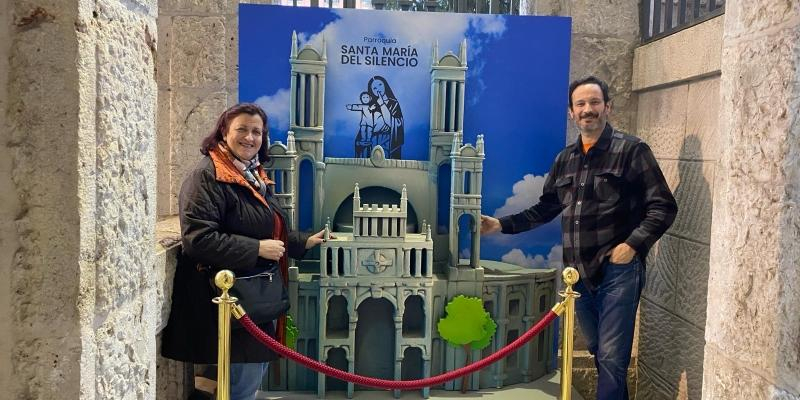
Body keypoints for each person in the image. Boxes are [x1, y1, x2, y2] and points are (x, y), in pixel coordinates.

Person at [480, 76, 677, 400]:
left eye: (594, 103)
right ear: (571, 113)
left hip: (619, 272)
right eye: (581, 104)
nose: (588, 110)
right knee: (601, 353)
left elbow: (663, 206)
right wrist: (500, 225)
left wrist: (632, 245)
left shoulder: (632, 150)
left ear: (607, 107)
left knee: (613, 358)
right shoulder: (565, 160)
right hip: (578, 275)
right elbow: (545, 209)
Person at [161, 103, 326, 400]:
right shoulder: (207, 176)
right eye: (242, 129)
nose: (250, 137)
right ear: (224, 131)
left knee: (248, 378)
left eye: (257, 132)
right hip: (231, 304)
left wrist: (302, 242)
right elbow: (198, 239)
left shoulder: (252, 175)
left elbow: (265, 227)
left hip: (252, 298)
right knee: (241, 386)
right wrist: (257, 249)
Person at [368, 75, 404, 159]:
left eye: (380, 85)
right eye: (374, 88)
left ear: (385, 85)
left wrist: (382, 104)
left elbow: (393, 124)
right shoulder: (372, 105)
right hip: (374, 140)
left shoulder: (394, 103)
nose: (378, 89)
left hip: (388, 141)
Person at [346, 91, 377, 157]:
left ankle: (368, 139)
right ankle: (363, 139)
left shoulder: (370, 106)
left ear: (370, 98)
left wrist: (371, 108)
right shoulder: (362, 106)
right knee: (363, 130)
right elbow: (357, 107)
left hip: (370, 122)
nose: (365, 99)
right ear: (361, 99)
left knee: (369, 131)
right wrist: (351, 107)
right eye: (363, 97)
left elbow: (371, 109)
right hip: (363, 122)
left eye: (367, 97)